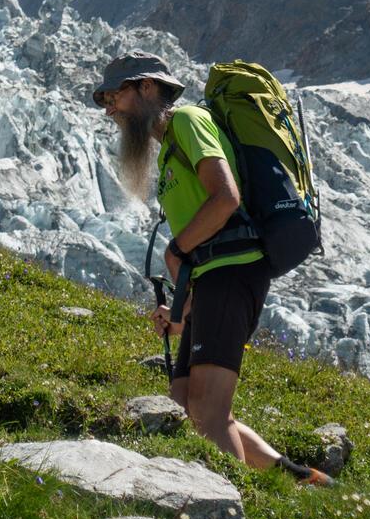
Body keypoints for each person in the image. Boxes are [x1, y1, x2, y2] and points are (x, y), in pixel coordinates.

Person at [94, 51, 331, 485]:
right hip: (212, 278)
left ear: (146, 87)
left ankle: (234, 503)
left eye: (114, 95)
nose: (109, 109)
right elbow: (196, 247)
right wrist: (181, 314)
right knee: (185, 402)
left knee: (209, 411)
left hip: (234, 269)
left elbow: (225, 198)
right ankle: (305, 480)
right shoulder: (168, 149)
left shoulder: (187, 123)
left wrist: (177, 249)